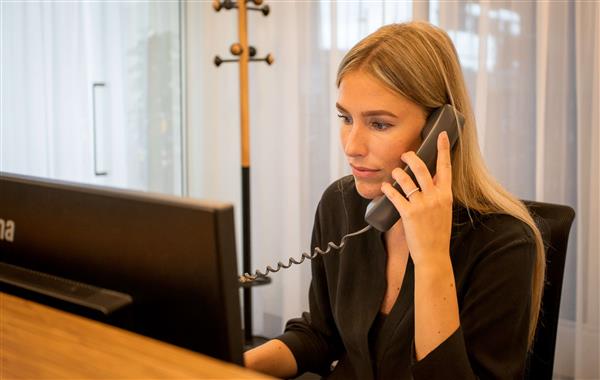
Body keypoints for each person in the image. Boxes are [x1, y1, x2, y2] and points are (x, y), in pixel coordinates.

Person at [244, 21, 545, 380]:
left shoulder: (503, 243)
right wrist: (227, 364)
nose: (352, 146)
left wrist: (432, 259)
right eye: (345, 118)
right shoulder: (341, 204)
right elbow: (322, 335)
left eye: (379, 124)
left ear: (440, 130)